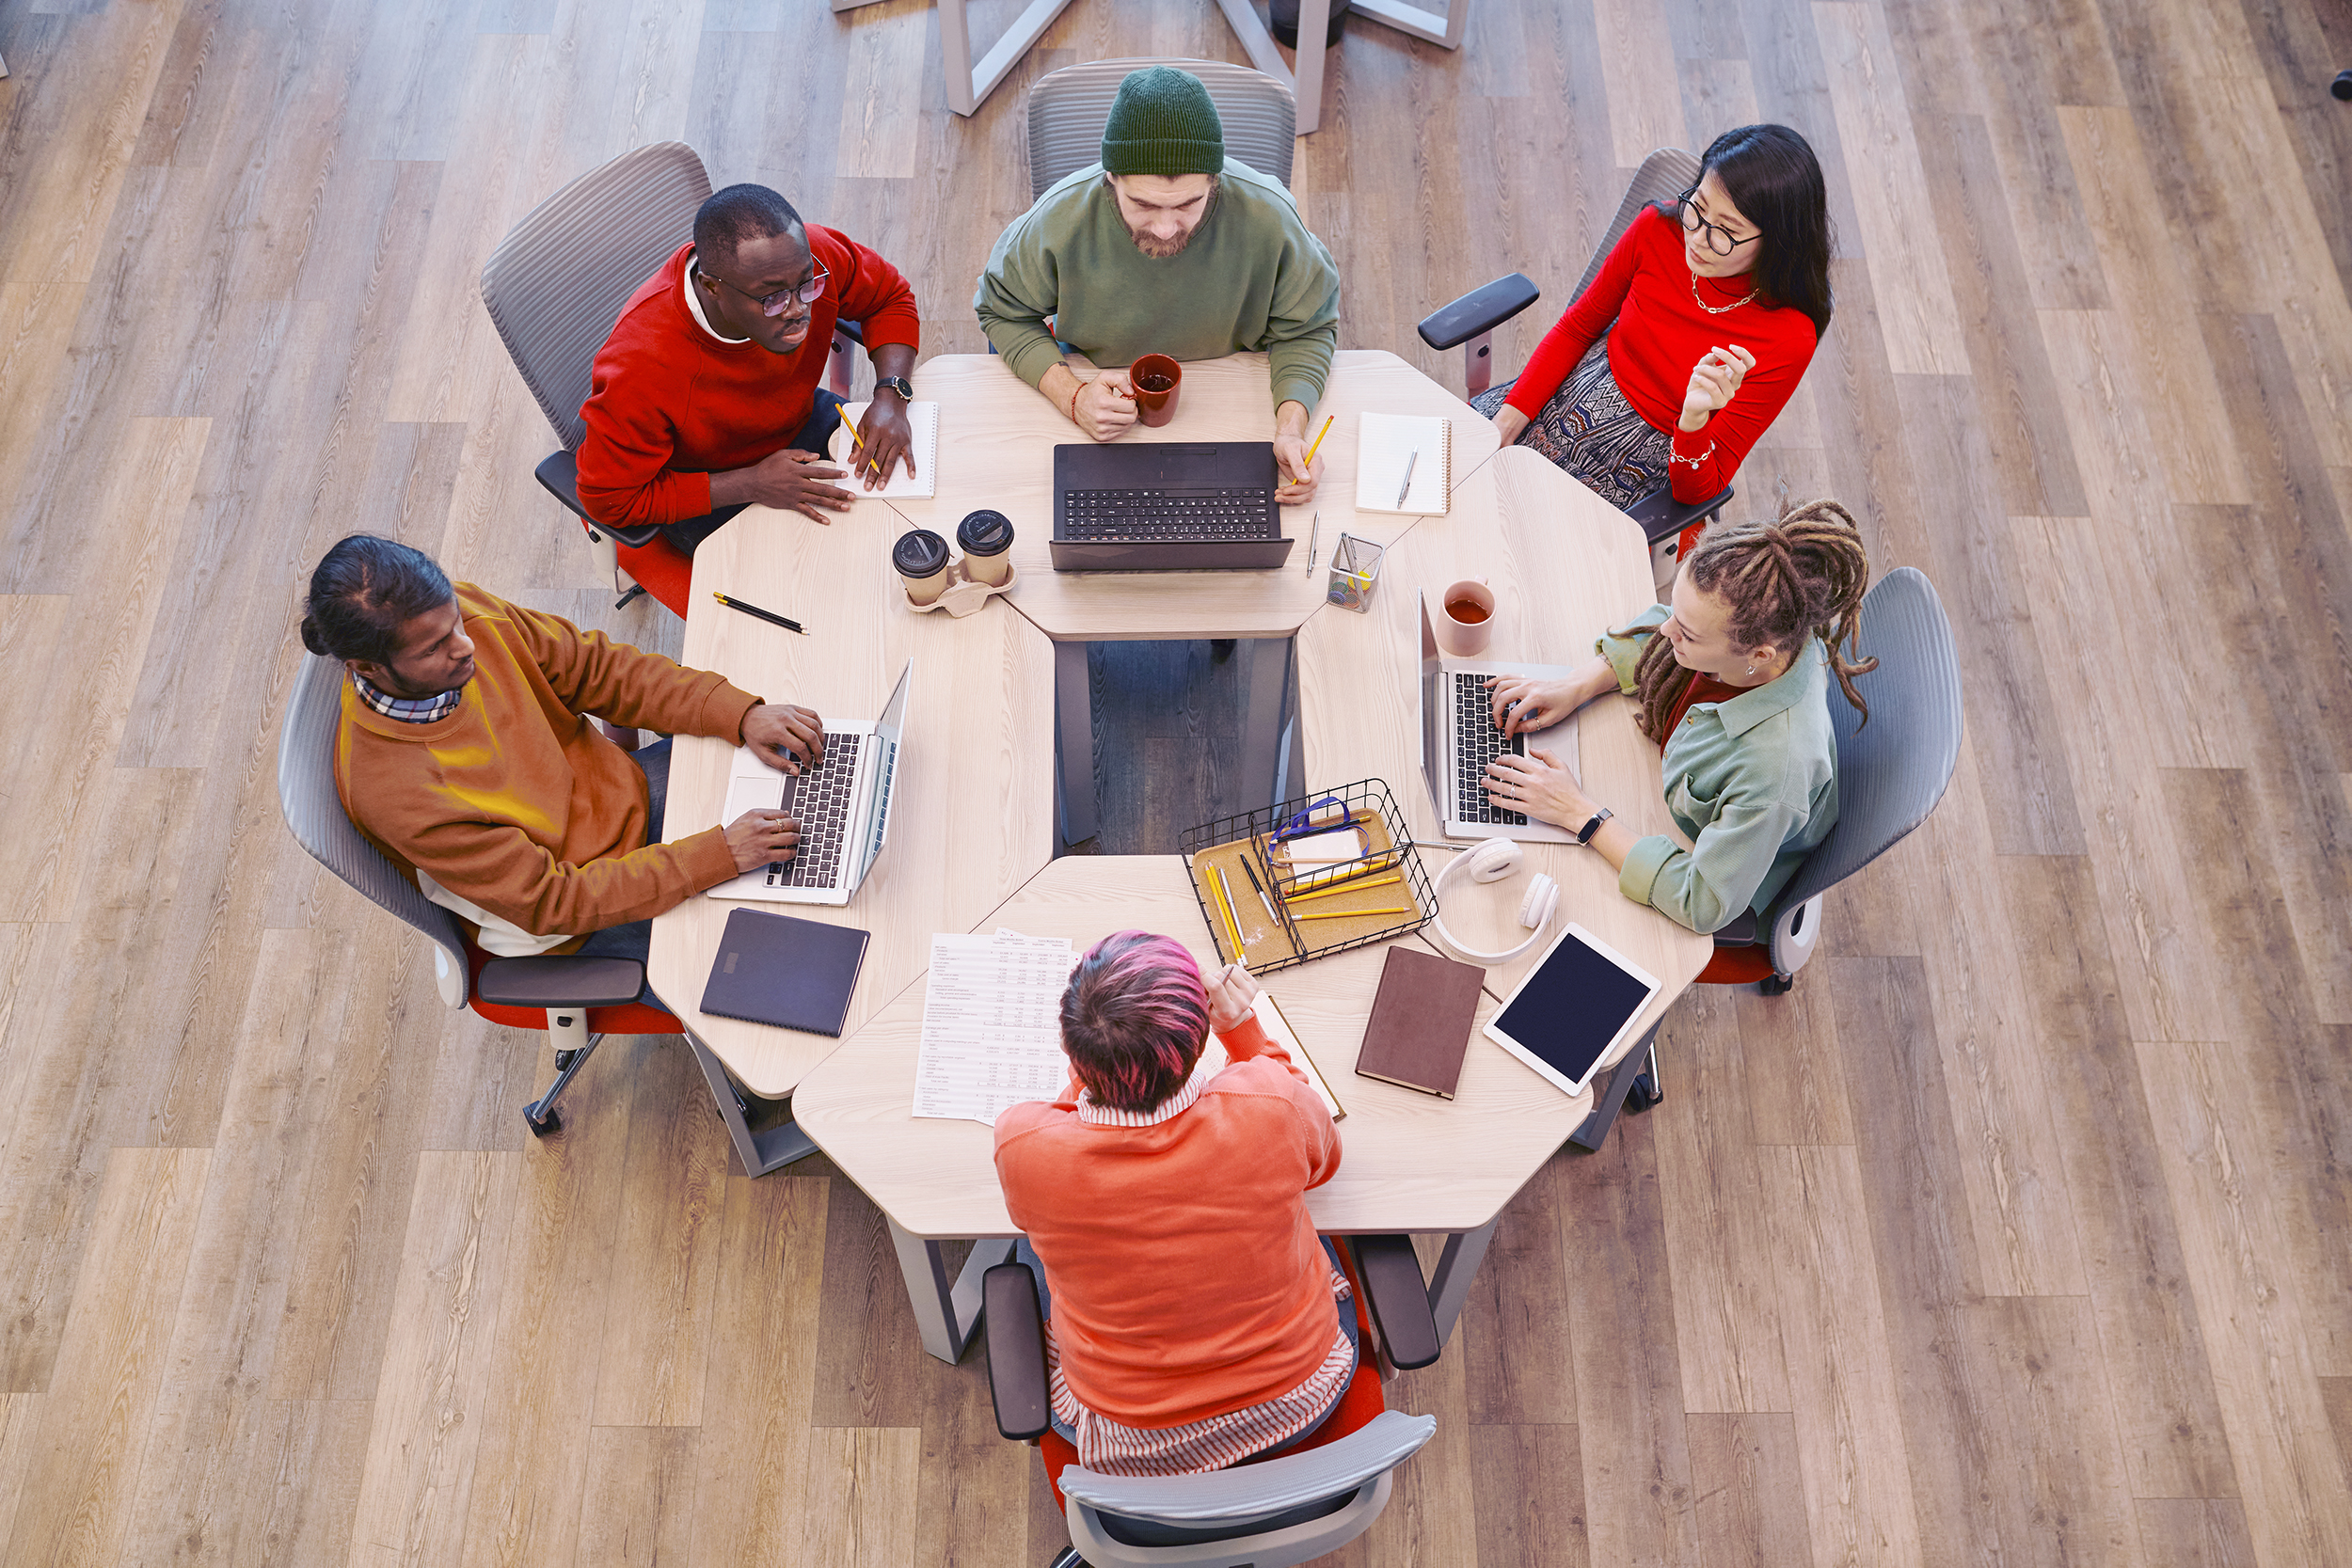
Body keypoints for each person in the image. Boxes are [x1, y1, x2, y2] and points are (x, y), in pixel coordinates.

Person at [300, 534, 821, 967]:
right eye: (434, 649)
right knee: (789, 963)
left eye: (454, 622)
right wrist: (718, 855)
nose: (466, 646)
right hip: (576, 916)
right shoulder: (396, 791)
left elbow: (598, 671)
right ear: (366, 667)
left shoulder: (453, 616)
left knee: (817, 798)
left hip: (619, 799)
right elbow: (554, 901)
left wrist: (738, 713)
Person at [993, 933, 1352, 1477]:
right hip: (1299, 1398)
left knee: (1030, 1251)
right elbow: (1323, 1163)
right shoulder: (1267, 1102)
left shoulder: (1025, 1146)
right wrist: (1244, 1032)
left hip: (1131, 1434)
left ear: (1071, 1049)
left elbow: (1066, 1119)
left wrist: (1097, 1069)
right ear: (1198, 1040)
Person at [1480, 501, 1875, 936]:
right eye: (1675, 612)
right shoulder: (1767, 621)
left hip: (1717, 863)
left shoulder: (1774, 774)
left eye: (1687, 634)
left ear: (1758, 655)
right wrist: (1578, 684)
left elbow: (1703, 903)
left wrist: (1579, 814)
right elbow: (1664, 626)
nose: (1667, 633)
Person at [975, 65, 1341, 504]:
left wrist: (1290, 429)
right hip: (1099, 405)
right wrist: (1072, 396)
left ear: (1214, 179)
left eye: (1189, 203)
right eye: (1143, 204)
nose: (1166, 229)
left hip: (1232, 405)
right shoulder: (1059, 220)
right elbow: (1000, 310)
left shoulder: (1271, 218)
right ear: (1111, 177)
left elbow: (1309, 327)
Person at [1474, 124, 1833, 515]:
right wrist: (1507, 421)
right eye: (1697, 206)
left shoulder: (1789, 338)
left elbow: (1702, 490)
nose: (1696, 237)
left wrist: (1694, 419)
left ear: (1777, 243)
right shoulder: (1658, 229)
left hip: (1649, 468)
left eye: (1726, 231)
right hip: (1568, 392)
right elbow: (1578, 328)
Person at [577, 182, 921, 552]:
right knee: (808, 586)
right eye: (771, 298)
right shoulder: (641, 365)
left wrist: (891, 393)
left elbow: (889, 296)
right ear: (712, 288)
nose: (797, 311)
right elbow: (608, 499)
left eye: (807, 284)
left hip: (796, 421)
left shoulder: (806, 258)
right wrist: (750, 483)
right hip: (709, 481)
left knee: (903, 528)